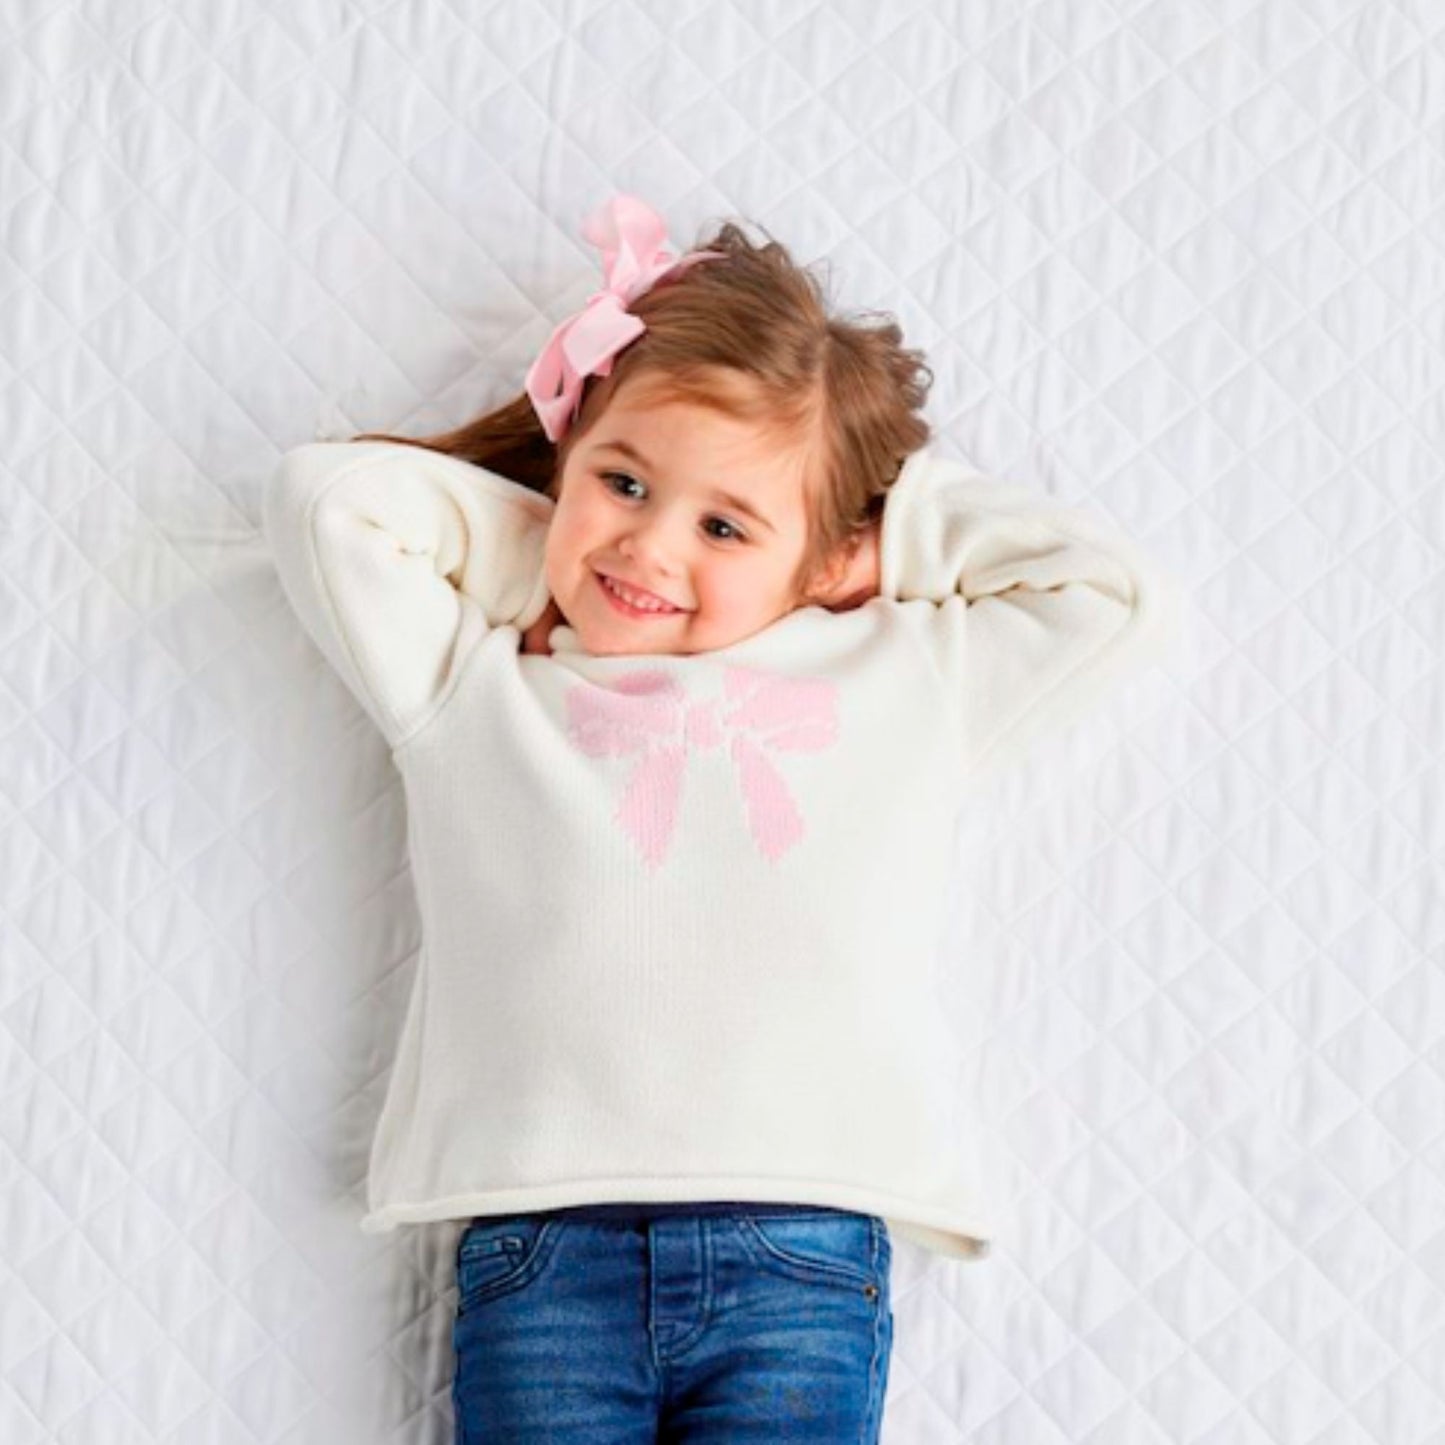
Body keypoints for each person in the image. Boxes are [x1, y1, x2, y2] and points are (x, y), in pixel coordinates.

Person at [262, 194, 1183, 1441]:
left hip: (800, 1247)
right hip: (544, 1251)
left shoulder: (903, 673)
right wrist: (552, 549)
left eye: (722, 524)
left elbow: (1109, 591)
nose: (648, 547)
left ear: (823, 554)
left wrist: (880, 545)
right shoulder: (476, 681)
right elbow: (325, 503)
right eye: (622, 480)